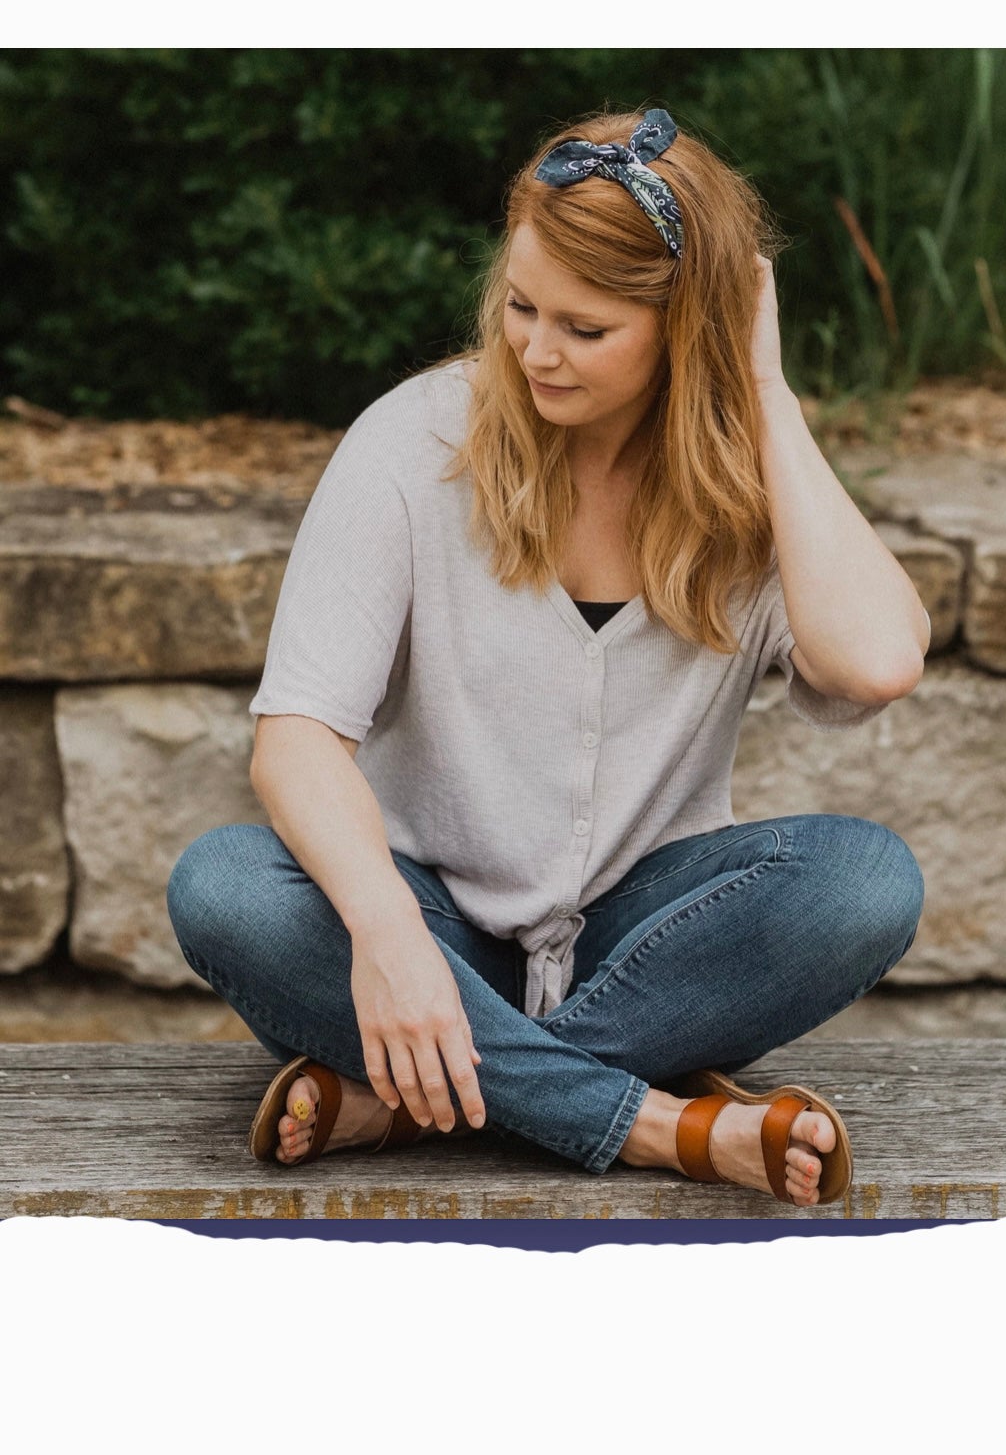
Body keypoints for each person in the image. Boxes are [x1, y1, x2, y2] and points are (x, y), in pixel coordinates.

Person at [168, 107, 928, 1208]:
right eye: (521, 307)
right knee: (226, 887)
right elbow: (296, 743)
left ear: (688, 330)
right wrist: (385, 937)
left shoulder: (748, 490)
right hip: (433, 926)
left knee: (865, 882)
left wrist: (764, 392)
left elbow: (876, 664)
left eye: (585, 327)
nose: (534, 349)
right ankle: (655, 1122)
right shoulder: (415, 440)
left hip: (646, 935)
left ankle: (419, 1097)